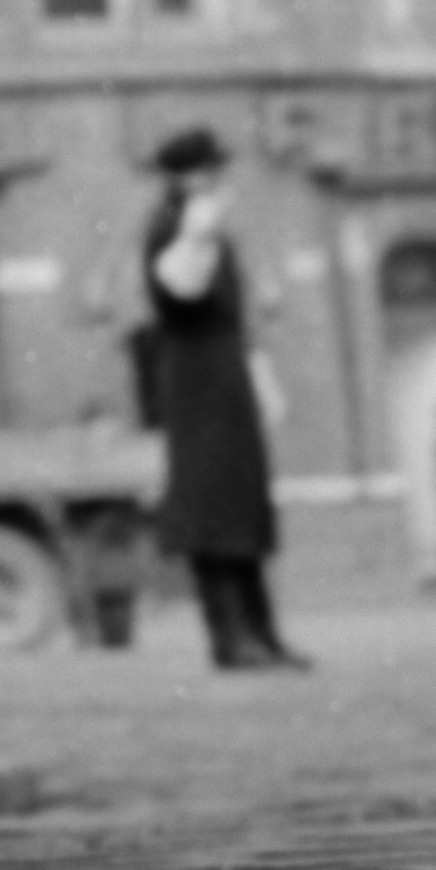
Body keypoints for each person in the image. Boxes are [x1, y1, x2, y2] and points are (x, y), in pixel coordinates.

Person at [137, 125, 302, 673]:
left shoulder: (208, 231)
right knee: (215, 513)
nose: (216, 183)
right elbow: (180, 291)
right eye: (207, 172)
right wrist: (198, 236)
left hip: (225, 382)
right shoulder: (171, 230)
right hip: (197, 387)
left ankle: (262, 633)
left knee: (244, 509)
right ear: (188, 177)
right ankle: (230, 640)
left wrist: (259, 378)